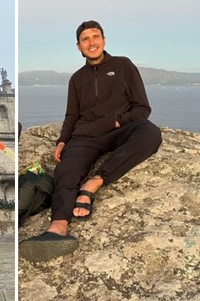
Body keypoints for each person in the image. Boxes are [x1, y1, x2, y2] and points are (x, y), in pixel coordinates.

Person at [19, 20, 162, 262]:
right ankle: (58, 227)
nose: (91, 43)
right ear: (78, 46)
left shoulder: (123, 65)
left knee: (151, 134)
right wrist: (63, 141)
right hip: (85, 136)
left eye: (96, 37)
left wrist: (116, 122)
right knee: (66, 170)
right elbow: (71, 115)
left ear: (104, 40)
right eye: (86, 39)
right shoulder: (76, 79)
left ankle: (94, 183)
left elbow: (142, 108)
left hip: (123, 128)